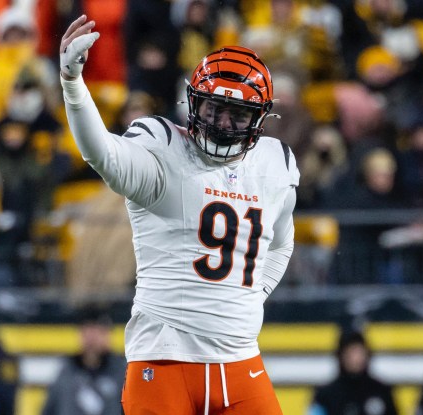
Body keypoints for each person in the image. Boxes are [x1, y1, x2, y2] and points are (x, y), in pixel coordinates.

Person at [59, 15, 300, 415]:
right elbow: (101, 153)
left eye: (237, 115)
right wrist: (72, 84)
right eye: (214, 109)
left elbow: (281, 241)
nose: (223, 124)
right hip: (165, 359)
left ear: (259, 119)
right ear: (193, 103)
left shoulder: (275, 163)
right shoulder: (163, 148)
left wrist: (256, 294)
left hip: (240, 359)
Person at [41, 307, 127, 415]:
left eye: (97, 331)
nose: (91, 338)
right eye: (87, 330)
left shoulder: (121, 373)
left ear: (107, 335)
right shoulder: (66, 371)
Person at [308, 329, 398, 415]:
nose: (356, 358)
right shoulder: (325, 395)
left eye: (360, 352)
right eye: (351, 353)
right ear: (341, 356)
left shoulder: (381, 392)